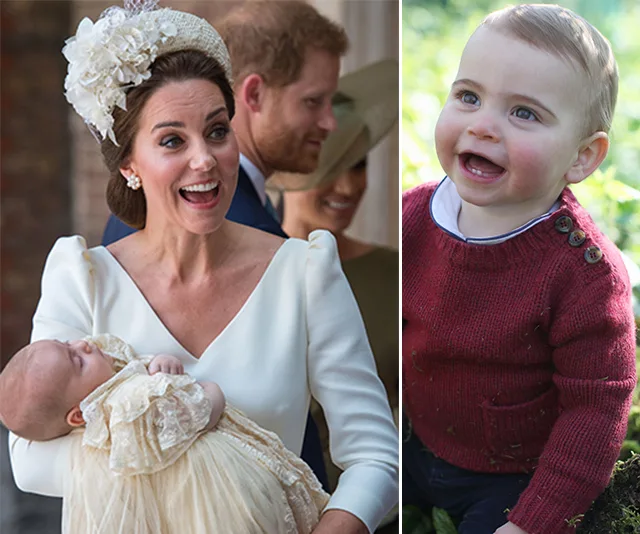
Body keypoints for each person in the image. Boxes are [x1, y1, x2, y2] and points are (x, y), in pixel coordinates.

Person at [7, 4, 398, 534]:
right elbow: (29, 460)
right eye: (172, 140)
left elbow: (376, 456)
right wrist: (180, 436)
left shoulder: (305, 273)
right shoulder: (81, 276)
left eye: (217, 131)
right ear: (129, 165)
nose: (205, 159)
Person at [402, 5, 636, 534]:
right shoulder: (414, 219)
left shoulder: (583, 273)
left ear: (581, 157)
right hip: (417, 435)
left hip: (513, 474)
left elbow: (596, 410)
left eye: (524, 113)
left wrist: (535, 521)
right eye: (468, 96)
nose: (482, 125)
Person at [99, 0, 351, 489]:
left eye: (217, 131)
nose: (329, 123)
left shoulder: (286, 245)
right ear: (253, 93)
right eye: (314, 101)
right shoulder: (206, 214)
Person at [0, 334, 328, 534]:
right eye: (77, 360)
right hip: (221, 505)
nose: (83, 343)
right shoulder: (126, 412)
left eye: (67, 343)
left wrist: (157, 365)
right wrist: (211, 391)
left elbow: (136, 371)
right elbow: (198, 415)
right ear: (77, 414)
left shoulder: (110, 388)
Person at [276, 59, 399, 489]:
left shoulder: (393, 273)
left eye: (359, 164)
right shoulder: (255, 271)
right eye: (331, 164)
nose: (348, 187)